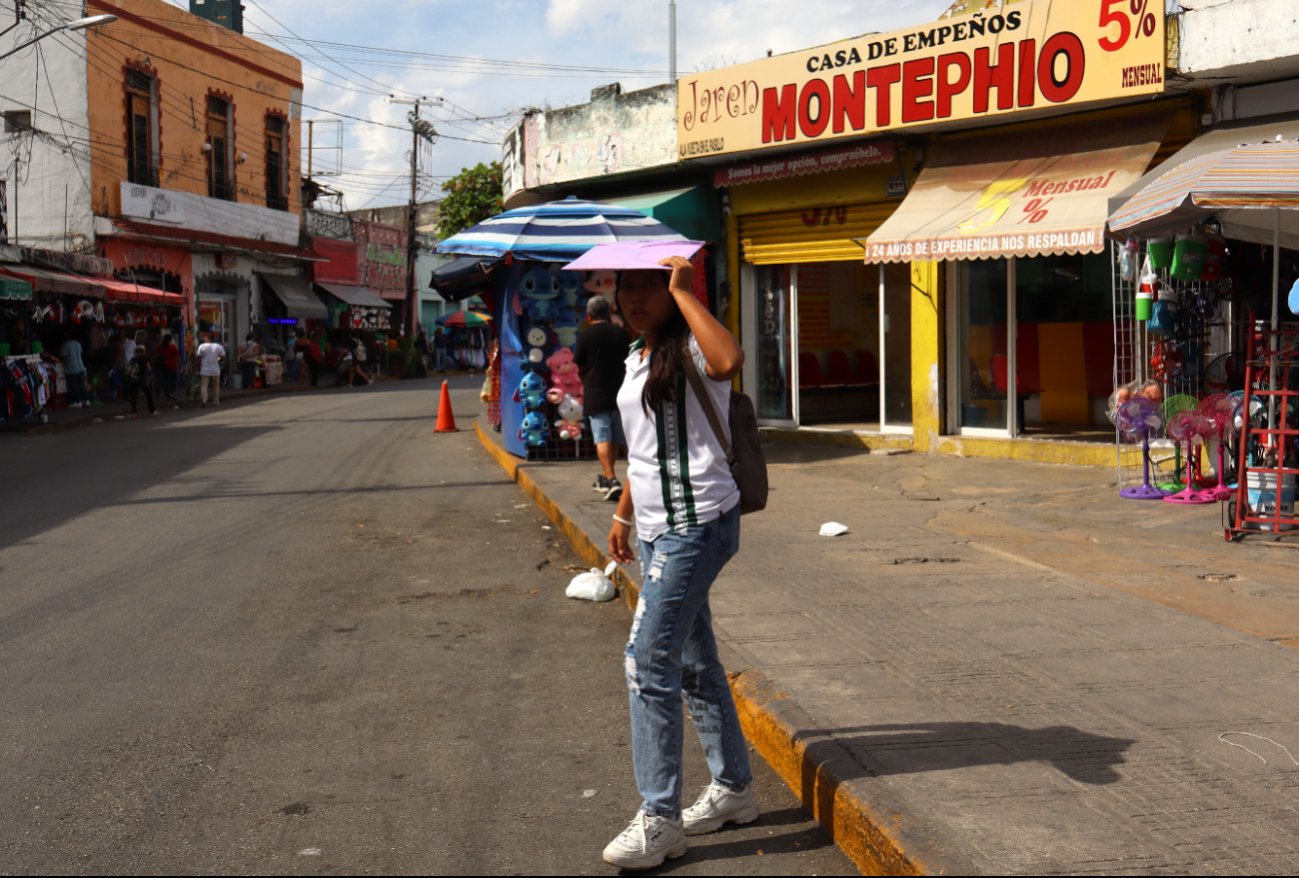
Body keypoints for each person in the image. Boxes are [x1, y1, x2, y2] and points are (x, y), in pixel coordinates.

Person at [602, 256, 754, 870]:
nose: (637, 297)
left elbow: (730, 361)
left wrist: (683, 291)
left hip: (700, 525)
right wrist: (621, 516)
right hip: (659, 530)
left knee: (646, 661)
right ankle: (735, 789)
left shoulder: (692, 346)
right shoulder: (636, 357)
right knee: (692, 661)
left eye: (649, 286)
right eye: (627, 286)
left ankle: (659, 818)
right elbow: (644, 453)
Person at [574, 293, 630, 502]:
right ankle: (610, 476)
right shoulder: (622, 334)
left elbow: (579, 364)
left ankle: (610, 477)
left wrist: (586, 380)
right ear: (609, 313)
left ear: (589, 315)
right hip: (620, 392)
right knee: (614, 438)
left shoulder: (586, 336)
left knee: (602, 438)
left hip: (596, 393)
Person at [59, 331, 89, 408]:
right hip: (80, 366)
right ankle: (86, 400)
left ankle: (77, 401)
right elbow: (80, 353)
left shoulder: (64, 345)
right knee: (81, 385)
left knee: (74, 386)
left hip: (70, 369)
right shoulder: (77, 343)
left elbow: (63, 357)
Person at [195, 332, 225, 407]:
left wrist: (197, 369)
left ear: (207, 339)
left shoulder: (202, 346)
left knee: (204, 386)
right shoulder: (218, 347)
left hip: (205, 370)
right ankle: (216, 401)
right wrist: (218, 360)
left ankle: (204, 400)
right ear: (213, 339)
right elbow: (223, 357)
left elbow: (198, 359)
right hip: (215, 370)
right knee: (216, 386)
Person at [125, 343, 156, 416]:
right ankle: (152, 410)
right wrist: (150, 377)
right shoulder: (145, 358)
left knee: (134, 396)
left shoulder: (133, 359)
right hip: (143, 378)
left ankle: (134, 412)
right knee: (149, 395)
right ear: (143, 351)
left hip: (135, 379)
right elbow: (149, 368)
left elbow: (129, 370)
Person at [158, 334, 181, 401]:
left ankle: (167, 393)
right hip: (172, 365)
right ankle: (171, 392)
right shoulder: (173, 347)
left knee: (166, 380)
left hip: (164, 365)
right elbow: (177, 357)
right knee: (174, 380)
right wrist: (180, 365)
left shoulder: (161, 347)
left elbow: (157, 354)